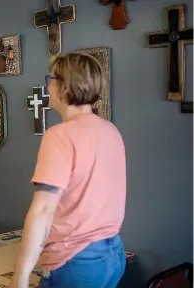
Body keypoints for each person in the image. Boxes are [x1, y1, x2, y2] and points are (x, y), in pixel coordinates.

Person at [10, 52, 126, 288]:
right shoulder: (110, 131)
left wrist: (20, 276)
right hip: (113, 254)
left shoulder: (60, 136)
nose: (47, 86)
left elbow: (43, 210)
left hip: (76, 261)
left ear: (64, 87)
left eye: (50, 79)